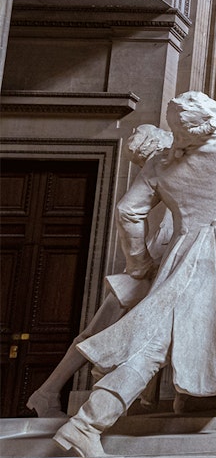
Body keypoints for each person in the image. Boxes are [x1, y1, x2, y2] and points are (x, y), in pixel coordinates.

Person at [54, 92, 216, 458]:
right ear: (215, 120)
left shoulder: (162, 162)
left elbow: (128, 211)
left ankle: (88, 423)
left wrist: (138, 262)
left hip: (182, 256)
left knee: (156, 343)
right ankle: (88, 424)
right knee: (155, 345)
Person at [25, 125, 173, 418]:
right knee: (102, 334)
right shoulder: (167, 168)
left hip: (152, 267)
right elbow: (133, 214)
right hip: (152, 271)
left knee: (106, 333)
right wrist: (139, 263)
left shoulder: (169, 168)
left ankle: (49, 392)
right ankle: (49, 393)